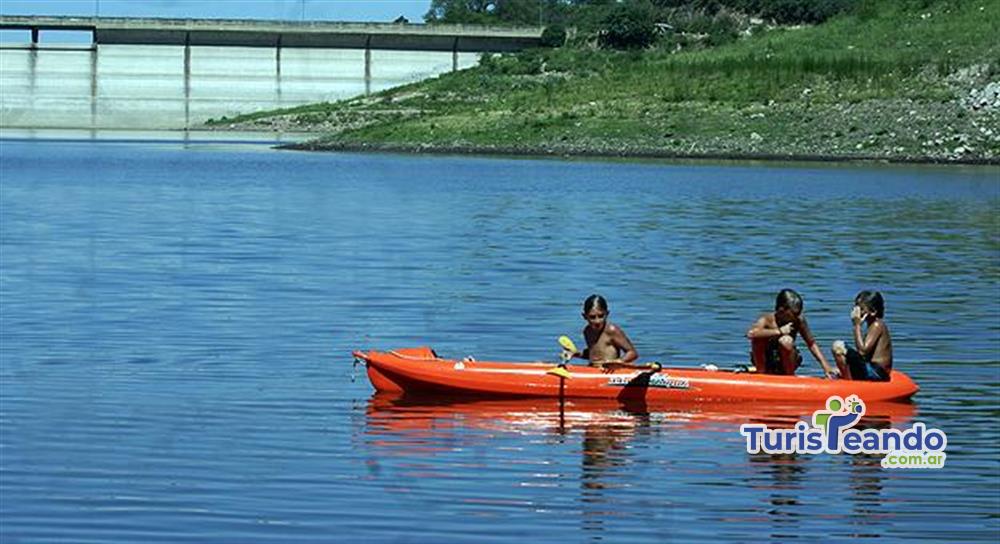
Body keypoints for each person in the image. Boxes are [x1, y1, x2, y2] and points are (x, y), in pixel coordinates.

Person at [747, 289, 837, 378]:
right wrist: (779, 331)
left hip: (787, 362)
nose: (796, 316)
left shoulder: (798, 320)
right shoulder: (767, 319)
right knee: (758, 338)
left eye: (798, 313)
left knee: (786, 341)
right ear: (781, 310)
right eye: (794, 313)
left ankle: (789, 376)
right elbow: (751, 333)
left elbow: (811, 343)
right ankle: (761, 374)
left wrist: (826, 367)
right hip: (767, 360)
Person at [832, 291, 892, 381]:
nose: (857, 312)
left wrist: (857, 325)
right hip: (871, 368)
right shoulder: (872, 325)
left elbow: (863, 351)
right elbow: (863, 355)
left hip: (877, 372)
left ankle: (848, 383)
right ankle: (847, 377)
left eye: (861, 309)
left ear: (873, 311)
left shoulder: (877, 325)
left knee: (838, 346)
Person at [566, 294, 638, 369]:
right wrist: (576, 354)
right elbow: (594, 354)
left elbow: (633, 353)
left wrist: (619, 361)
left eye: (601, 316)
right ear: (584, 316)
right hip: (594, 370)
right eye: (592, 317)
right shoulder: (587, 331)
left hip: (609, 372)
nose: (597, 321)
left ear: (607, 314)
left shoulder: (612, 330)